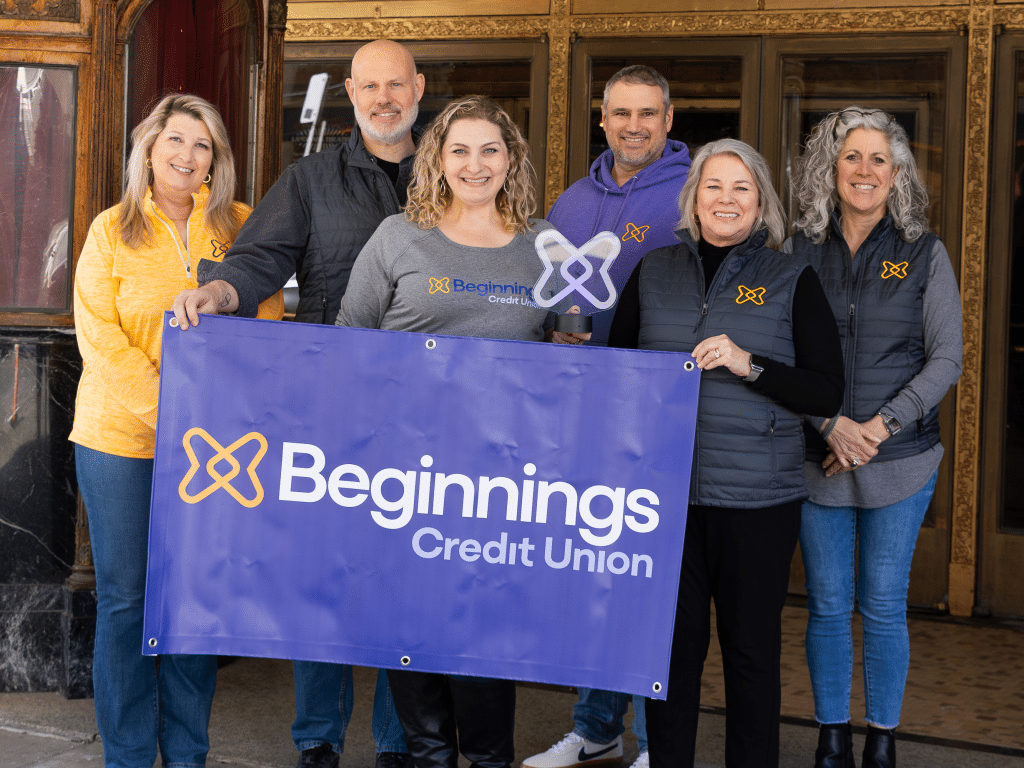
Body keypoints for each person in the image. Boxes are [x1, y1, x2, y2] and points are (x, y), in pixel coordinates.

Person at [171, 39, 424, 768]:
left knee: (408, 578)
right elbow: (257, 259)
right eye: (369, 86)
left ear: (418, 88)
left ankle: (400, 743)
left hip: (425, 411)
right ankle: (317, 739)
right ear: (350, 92)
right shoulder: (311, 179)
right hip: (331, 406)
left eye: (395, 85)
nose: (383, 98)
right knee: (326, 578)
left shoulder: (453, 175)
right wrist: (219, 293)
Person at [336, 94, 587, 768]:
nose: (475, 165)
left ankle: (488, 759)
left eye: (490, 150)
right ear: (436, 159)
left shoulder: (545, 248)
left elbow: (566, 361)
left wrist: (568, 358)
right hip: (402, 477)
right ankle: (427, 756)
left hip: (499, 486)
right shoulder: (397, 236)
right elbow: (347, 349)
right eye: (460, 150)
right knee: (410, 625)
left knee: (485, 633)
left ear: (512, 159)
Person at [607, 138, 845, 768]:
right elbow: (617, 376)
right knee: (671, 658)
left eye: (742, 188)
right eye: (714, 186)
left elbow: (826, 388)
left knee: (750, 657)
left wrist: (750, 365)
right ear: (693, 198)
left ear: (762, 202)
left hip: (758, 502)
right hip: (667, 501)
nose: (727, 199)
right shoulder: (655, 270)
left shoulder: (792, 276)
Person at [69, 93, 284, 767]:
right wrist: (172, 415)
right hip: (119, 443)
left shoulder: (244, 226)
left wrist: (216, 424)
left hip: (217, 448)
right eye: (177, 142)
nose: (189, 157)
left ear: (216, 160)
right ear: (150, 151)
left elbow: (267, 319)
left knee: (195, 603)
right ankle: (129, 755)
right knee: (127, 603)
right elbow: (99, 337)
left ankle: (187, 752)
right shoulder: (112, 228)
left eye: (204, 146)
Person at [523, 64, 690, 768]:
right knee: (596, 577)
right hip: (582, 420)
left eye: (648, 114)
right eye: (622, 113)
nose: (634, 126)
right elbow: (543, 296)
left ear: (669, 118)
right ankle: (597, 727)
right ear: (602, 117)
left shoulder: (692, 192)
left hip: (659, 420)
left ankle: (656, 740)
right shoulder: (570, 201)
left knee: (650, 584)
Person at [786, 107, 963, 768]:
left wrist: (876, 431)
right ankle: (831, 736)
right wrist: (829, 427)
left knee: (883, 606)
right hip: (816, 457)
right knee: (829, 606)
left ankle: (881, 739)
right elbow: (776, 349)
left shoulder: (925, 251)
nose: (864, 171)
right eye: (851, 158)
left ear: (897, 175)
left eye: (878, 160)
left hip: (902, 459)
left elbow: (946, 358)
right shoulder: (797, 249)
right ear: (831, 171)